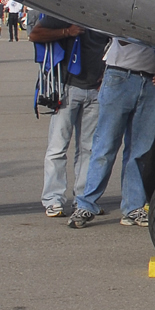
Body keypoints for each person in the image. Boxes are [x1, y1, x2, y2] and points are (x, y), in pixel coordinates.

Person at [69, 36, 155, 228]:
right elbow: (125, 38)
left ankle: (133, 207)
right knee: (105, 145)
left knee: (140, 151)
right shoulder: (133, 13)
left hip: (150, 82)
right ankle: (86, 204)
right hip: (121, 76)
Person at [29, 14, 111, 218]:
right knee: (58, 147)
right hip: (67, 87)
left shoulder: (106, 16)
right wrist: (66, 32)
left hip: (95, 89)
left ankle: (82, 199)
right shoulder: (66, 11)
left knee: (89, 149)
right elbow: (35, 34)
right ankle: (53, 199)